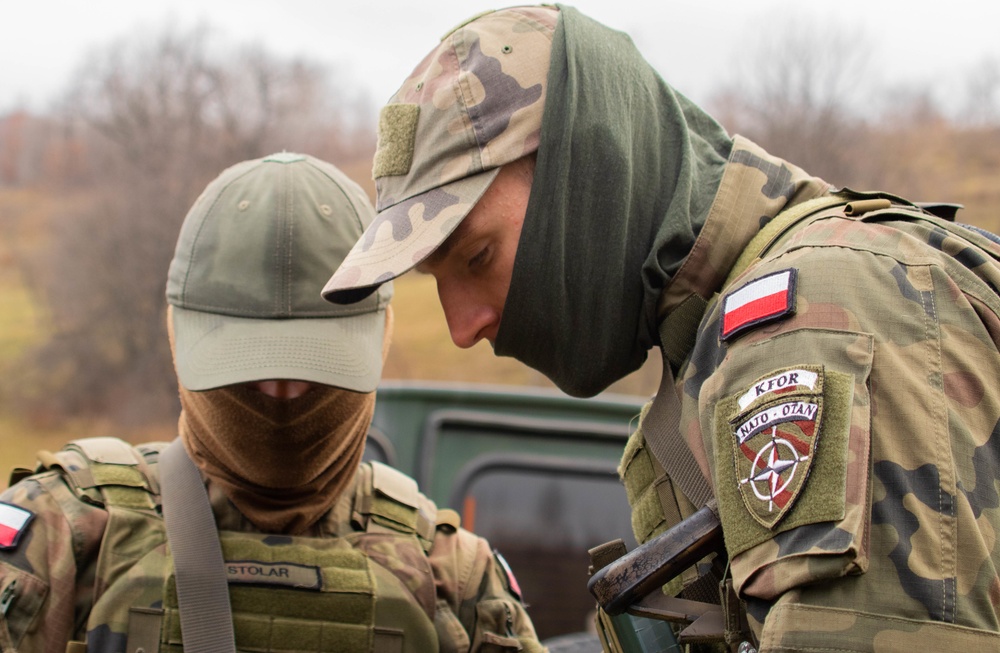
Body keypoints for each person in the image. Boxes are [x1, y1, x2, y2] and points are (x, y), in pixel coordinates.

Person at [321, 5, 1000, 652]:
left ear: (585, 173)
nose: (462, 326)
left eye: (477, 257)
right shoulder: (706, 357)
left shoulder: (807, 320)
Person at [0, 152, 545, 653]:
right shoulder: (59, 541)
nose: (283, 398)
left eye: (314, 376)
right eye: (249, 376)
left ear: (377, 338)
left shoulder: (457, 580)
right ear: (178, 335)